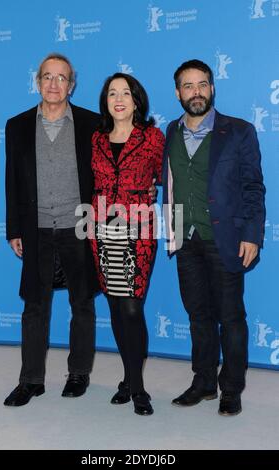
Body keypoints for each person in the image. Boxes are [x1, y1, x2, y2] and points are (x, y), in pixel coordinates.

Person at [162, 59, 265, 416]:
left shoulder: (238, 131)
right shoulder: (171, 132)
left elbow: (253, 187)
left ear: (212, 89)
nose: (196, 92)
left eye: (202, 84)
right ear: (178, 93)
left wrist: (252, 234)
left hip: (226, 239)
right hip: (186, 239)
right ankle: (204, 381)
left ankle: (231, 388)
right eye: (188, 86)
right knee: (197, 315)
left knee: (231, 318)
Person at [4, 53, 100, 406]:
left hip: (80, 227)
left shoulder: (92, 123)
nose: (54, 84)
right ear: (37, 81)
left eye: (62, 78)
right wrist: (14, 228)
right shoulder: (16, 125)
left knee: (82, 303)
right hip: (36, 228)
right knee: (34, 306)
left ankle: (79, 373)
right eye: (47, 77)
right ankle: (30, 380)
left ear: (71, 85)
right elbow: (11, 181)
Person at [89, 73, 165, 415]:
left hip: (137, 231)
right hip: (102, 230)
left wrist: (152, 190)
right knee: (116, 308)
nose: (118, 98)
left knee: (132, 308)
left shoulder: (153, 137)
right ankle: (128, 378)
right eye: (111, 93)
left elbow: (166, 177)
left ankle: (138, 388)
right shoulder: (96, 139)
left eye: (125, 93)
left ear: (137, 100)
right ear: (106, 101)